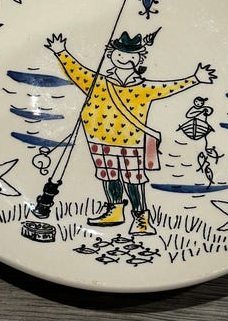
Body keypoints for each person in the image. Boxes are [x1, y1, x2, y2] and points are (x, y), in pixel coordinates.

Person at [45, 31, 216, 235]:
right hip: (99, 139)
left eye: (131, 56)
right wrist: (61, 52)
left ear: (139, 59)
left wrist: (195, 79)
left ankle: (141, 219)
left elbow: (167, 88)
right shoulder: (99, 82)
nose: (125, 59)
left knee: (133, 179)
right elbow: (77, 72)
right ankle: (115, 210)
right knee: (108, 175)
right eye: (120, 54)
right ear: (111, 55)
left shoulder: (143, 88)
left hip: (131, 141)